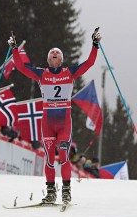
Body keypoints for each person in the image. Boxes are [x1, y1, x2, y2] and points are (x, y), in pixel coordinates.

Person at [8, 28, 102, 204]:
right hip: (48, 122)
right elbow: (20, 66)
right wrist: (14, 48)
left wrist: (95, 45)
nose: (54, 55)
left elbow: (89, 63)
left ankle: (66, 191)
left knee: (64, 156)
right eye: (51, 53)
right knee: (49, 158)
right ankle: (51, 192)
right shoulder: (41, 74)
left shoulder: (69, 72)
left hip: (64, 123)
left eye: (57, 53)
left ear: (62, 59)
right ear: (47, 59)